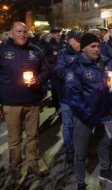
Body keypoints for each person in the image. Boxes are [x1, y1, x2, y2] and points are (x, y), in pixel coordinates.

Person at [64, 33, 112, 190]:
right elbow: (73, 97)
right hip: (85, 117)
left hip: (104, 113)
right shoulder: (76, 67)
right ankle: (80, 182)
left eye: (98, 46)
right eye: (92, 46)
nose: (97, 49)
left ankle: (105, 170)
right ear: (83, 48)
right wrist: (90, 116)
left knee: (104, 144)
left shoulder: (107, 63)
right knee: (80, 151)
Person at [0, 22, 50, 185]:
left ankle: (33, 164)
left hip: (32, 102)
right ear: (11, 34)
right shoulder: (2, 51)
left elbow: (46, 70)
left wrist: (39, 79)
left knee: (33, 136)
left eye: (25, 31)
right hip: (11, 103)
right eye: (18, 31)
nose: (22, 34)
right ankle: (15, 169)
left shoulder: (35, 51)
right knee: (14, 140)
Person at [54, 30, 82, 164]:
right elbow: (59, 70)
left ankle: (81, 148)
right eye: (77, 40)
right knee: (69, 125)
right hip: (67, 96)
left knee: (81, 124)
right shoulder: (63, 54)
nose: (80, 43)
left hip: (82, 96)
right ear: (70, 40)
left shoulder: (83, 52)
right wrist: (73, 77)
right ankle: (70, 151)